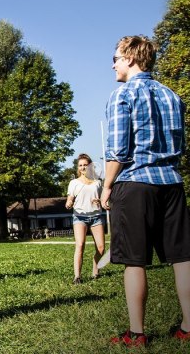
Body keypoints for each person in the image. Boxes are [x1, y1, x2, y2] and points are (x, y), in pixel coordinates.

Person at [101, 35, 190, 347]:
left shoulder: (122, 95)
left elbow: (118, 153)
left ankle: (136, 334)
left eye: (116, 58)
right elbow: (180, 146)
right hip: (172, 183)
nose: (112, 64)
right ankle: (188, 326)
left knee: (134, 261)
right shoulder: (172, 96)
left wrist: (107, 186)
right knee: (183, 257)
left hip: (136, 182)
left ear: (130, 58)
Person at [65, 153, 105, 284]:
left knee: (101, 248)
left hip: (96, 216)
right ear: (78, 167)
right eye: (80, 165)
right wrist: (69, 203)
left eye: (85, 165)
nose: (83, 167)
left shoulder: (98, 182)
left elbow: (105, 200)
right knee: (80, 245)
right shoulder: (74, 183)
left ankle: (95, 269)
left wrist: (100, 201)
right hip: (79, 216)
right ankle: (77, 277)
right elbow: (69, 200)